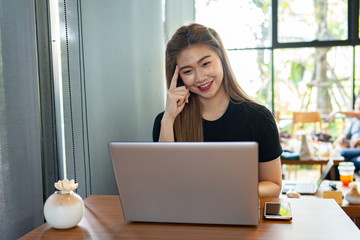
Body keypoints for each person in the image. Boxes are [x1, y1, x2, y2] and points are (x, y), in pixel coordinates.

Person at [152, 23, 283, 198]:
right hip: (187, 220)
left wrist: (229, 191)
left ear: (221, 58)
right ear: (179, 77)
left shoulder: (258, 117)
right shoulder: (166, 122)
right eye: (188, 71)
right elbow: (161, 184)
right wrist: (168, 119)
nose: (200, 78)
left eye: (205, 63)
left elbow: (274, 185)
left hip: (240, 216)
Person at [327, 97, 360, 173]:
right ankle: (332, 180)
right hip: (353, 149)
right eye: (357, 104)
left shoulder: (357, 116)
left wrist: (337, 111)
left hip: (357, 149)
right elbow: (346, 135)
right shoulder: (354, 120)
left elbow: (357, 114)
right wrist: (342, 138)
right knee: (344, 162)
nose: (359, 106)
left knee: (342, 153)